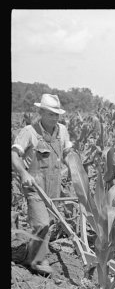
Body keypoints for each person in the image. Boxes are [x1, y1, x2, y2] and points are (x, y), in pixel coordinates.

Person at [11, 94, 73, 275]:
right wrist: (23, 173)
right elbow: (14, 155)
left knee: (50, 222)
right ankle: (37, 261)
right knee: (42, 223)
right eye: (50, 114)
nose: (55, 118)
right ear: (41, 112)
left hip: (53, 184)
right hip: (34, 184)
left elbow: (68, 152)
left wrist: (73, 169)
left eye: (57, 114)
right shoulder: (29, 132)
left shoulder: (62, 130)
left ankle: (32, 252)